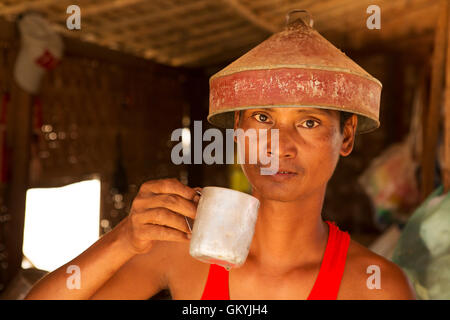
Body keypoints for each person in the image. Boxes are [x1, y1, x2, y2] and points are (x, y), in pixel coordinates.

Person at [25, 15, 416, 300]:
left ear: (346, 136)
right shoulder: (181, 251)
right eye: (262, 118)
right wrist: (125, 239)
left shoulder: (375, 285)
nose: (279, 145)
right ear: (237, 131)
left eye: (309, 122)